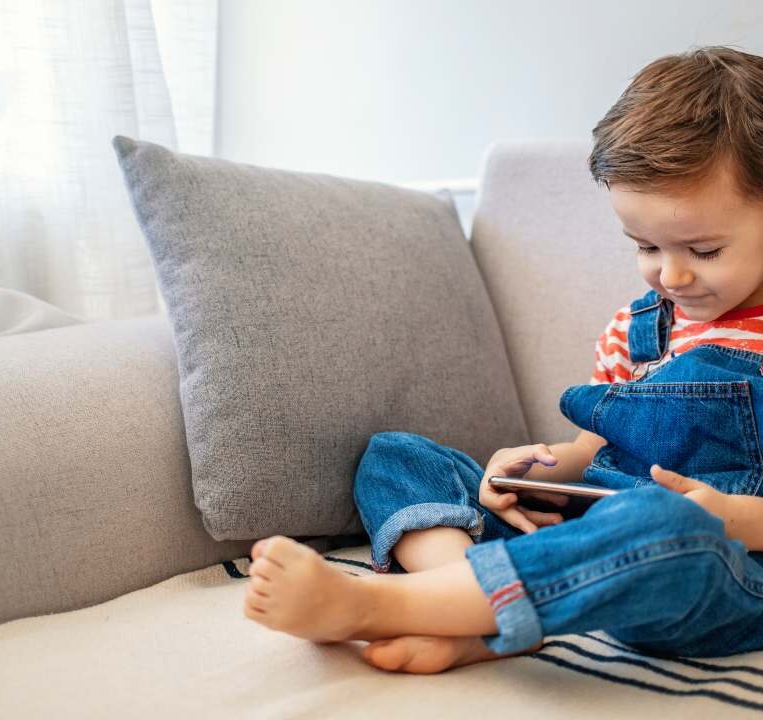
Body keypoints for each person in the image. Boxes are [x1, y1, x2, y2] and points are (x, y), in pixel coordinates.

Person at [242, 45, 763, 675]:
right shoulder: (639, 327)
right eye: (646, 245)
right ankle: (477, 609)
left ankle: (392, 604)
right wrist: (534, 468)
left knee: (659, 525)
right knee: (397, 457)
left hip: (718, 568)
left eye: (703, 250)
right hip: (589, 528)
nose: (671, 273)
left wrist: (732, 516)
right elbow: (594, 448)